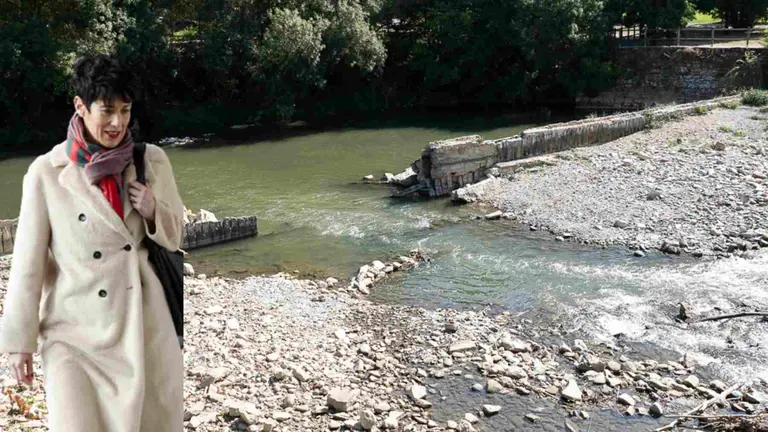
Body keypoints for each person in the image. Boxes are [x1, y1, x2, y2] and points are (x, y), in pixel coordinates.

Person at [0, 54, 184, 431]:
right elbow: (27, 263)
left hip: (143, 326)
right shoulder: (46, 173)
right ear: (80, 107)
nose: (117, 122)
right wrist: (20, 341)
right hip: (73, 332)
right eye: (107, 110)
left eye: (126, 110)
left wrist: (152, 211)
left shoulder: (151, 160)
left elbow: (177, 235)